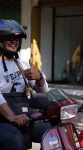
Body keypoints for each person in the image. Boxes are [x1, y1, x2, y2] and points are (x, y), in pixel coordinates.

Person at [0, 19, 51, 150]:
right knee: (16, 141)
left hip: (24, 117)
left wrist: (38, 77)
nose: (14, 41)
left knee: (53, 134)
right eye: (8, 38)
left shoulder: (22, 64)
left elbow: (42, 89)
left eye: (17, 38)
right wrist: (11, 116)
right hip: (3, 119)